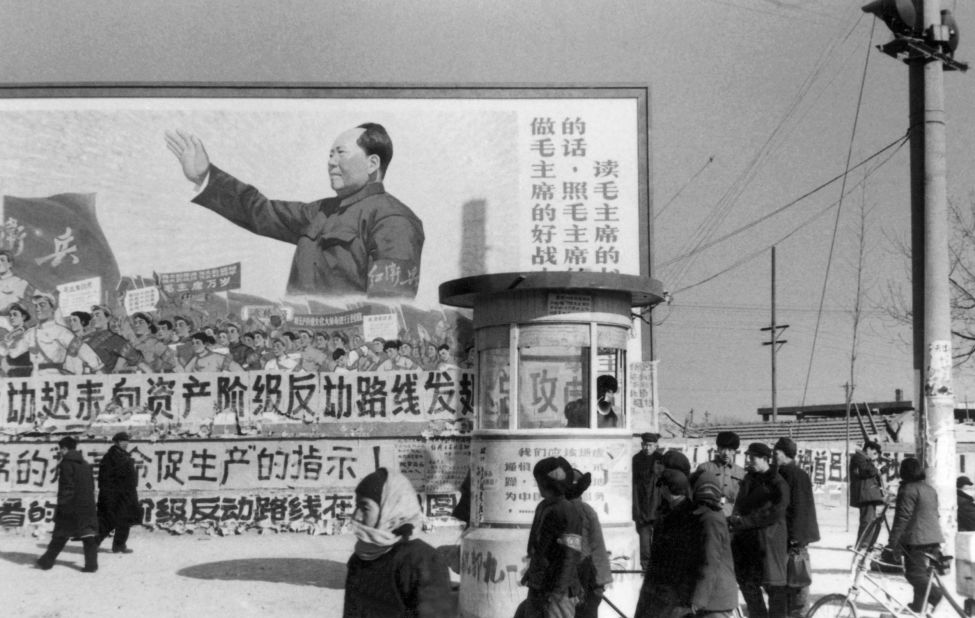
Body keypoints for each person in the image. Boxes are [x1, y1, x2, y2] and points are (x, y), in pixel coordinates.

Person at [165, 124, 425, 298]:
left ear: (372, 163)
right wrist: (206, 176)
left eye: (340, 153)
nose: (330, 162)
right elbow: (260, 211)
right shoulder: (321, 212)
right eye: (330, 154)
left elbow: (390, 304)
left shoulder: (393, 219)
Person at [343, 467, 452, 617]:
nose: (356, 516)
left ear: (390, 509)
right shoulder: (359, 559)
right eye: (356, 506)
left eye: (364, 507)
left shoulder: (423, 561)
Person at [517, 456, 583, 618]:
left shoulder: (568, 511)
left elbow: (571, 554)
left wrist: (558, 591)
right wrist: (531, 573)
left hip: (559, 590)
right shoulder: (543, 507)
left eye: (539, 482)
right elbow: (539, 548)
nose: (537, 485)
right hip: (538, 584)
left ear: (547, 484)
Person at [729, 442, 790, 618]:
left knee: (774, 588)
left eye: (753, 457)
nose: (749, 460)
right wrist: (735, 521)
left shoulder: (777, 482)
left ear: (764, 459)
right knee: (748, 584)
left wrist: (747, 521)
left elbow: (776, 512)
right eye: (748, 457)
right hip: (747, 542)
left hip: (769, 543)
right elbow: (740, 504)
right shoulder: (749, 479)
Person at [634, 468, 699, 618]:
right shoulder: (674, 511)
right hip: (662, 587)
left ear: (667, 488)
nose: (659, 490)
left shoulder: (683, 515)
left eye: (661, 486)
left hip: (669, 589)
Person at [885, 457, 945, 613]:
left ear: (904, 472)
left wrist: (892, 542)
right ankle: (918, 605)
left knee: (913, 574)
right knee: (923, 573)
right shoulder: (929, 489)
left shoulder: (908, 490)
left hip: (918, 539)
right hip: (934, 537)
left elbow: (902, 518)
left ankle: (937, 595)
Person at [36, 436, 99, 573]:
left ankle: (46, 562)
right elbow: (91, 486)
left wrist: (62, 506)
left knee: (60, 534)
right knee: (88, 535)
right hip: (87, 505)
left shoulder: (66, 464)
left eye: (61, 449)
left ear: (64, 448)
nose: (60, 452)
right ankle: (92, 565)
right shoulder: (85, 464)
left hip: (71, 505)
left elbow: (67, 487)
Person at [774, 437, 820, 618]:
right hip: (797, 536)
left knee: (796, 580)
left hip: (793, 537)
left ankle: (798, 613)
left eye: (776, 453)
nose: (773, 456)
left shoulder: (788, 474)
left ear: (785, 454)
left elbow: (799, 507)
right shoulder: (799, 473)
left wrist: (794, 537)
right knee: (794, 579)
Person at [566, 468, 613, 618]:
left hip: (570, 576)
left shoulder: (555, 510)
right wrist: (601, 582)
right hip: (585, 576)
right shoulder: (586, 511)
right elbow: (598, 547)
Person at [690, 476, 739, 618]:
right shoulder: (707, 516)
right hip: (713, 598)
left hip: (715, 599)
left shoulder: (710, 519)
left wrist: (699, 598)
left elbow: (710, 561)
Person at [24, 292, 102, 375]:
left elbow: (82, 349)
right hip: (35, 378)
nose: (37, 309)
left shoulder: (61, 332)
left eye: (42, 305)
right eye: (36, 306)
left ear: (52, 308)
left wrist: (98, 369)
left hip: (54, 377)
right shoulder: (30, 333)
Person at [96, 432, 141, 554]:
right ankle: (94, 542)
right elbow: (106, 478)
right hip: (115, 495)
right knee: (109, 521)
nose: (125, 443)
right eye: (122, 441)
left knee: (125, 520)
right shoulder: (111, 457)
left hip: (126, 494)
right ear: (116, 442)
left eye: (127, 441)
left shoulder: (123, 455)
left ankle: (119, 545)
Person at [696, 431, 746, 517]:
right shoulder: (704, 468)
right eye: (723, 448)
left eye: (730, 450)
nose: (726, 453)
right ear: (718, 449)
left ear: (734, 451)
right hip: (709, 515)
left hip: (732, 516)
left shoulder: (741, 473)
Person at [632, 432, 662, 572]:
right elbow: (634, 487)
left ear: (656, 445)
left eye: (650, 445)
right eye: (645, 445)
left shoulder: (661, 460)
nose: (647, 448)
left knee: (659, 542)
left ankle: (658, 570)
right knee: (644, 544)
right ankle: (646, 570)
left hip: (658, 508)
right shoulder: (636, 460)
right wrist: (637, 510)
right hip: (642, 508)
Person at [849, 440, 886, 545]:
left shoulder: (864, 459)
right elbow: (867, 471)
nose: (875, 456)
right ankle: (863, 543)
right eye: (874, 453)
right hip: (865, 493)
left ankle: (866, 542)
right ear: (868, 449)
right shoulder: (859, 457)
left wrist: (878, 470)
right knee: (867, 520)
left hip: (868, 493)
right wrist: (876, 468)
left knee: (869, 519)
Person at [0, 302, 32, 377]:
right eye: (10, 315)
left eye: (15, 314)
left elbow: (13, 353)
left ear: (23, 317)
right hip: (12, 373)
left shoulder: (26, 332)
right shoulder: (11, 334)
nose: (11, 317)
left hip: (24, 373)